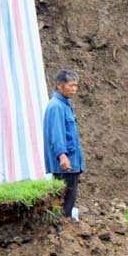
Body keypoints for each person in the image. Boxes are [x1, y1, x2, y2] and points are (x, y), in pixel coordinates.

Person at [43, 70, 85, 221]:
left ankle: (64, 223)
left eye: (76, 85)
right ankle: (62, 225)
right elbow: (57, 135)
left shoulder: (65, 105)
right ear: (59, 86)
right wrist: (62, 156)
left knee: (69, 197)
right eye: (71, 85)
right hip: (65, 162)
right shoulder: (56, 107)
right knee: (64, 198)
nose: (74, 89)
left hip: (71, 161)